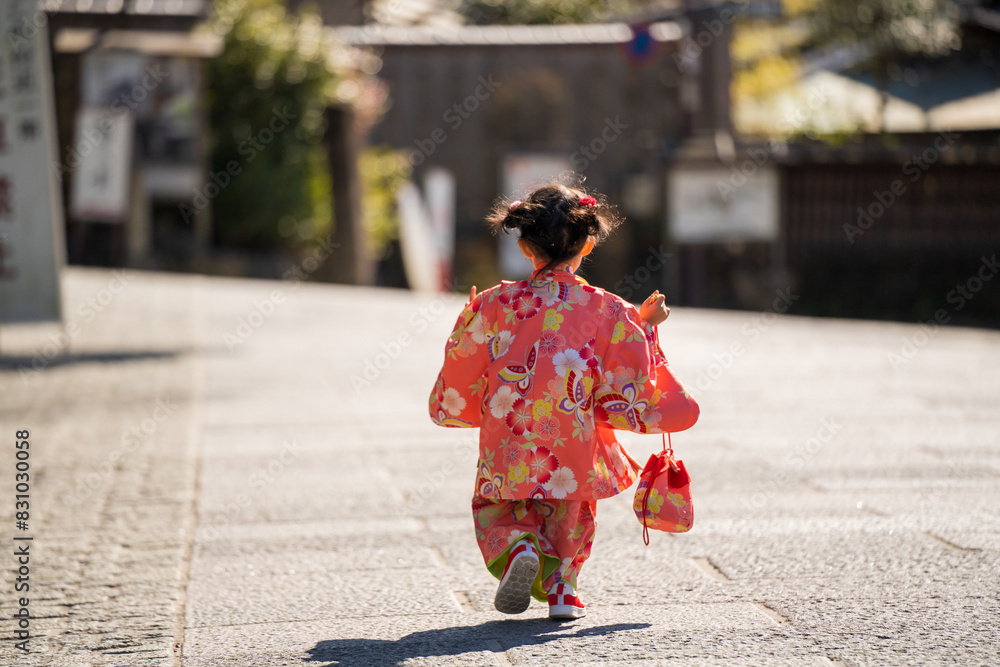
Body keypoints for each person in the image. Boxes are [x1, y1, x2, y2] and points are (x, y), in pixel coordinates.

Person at [428, 184, 699, 620]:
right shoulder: (607, 308)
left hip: (509, 434)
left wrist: (470, 317)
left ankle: (518, 546)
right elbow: (629, 366)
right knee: (572, 512)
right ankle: (564, 591)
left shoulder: (495, 303)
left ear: (524, 245)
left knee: (498, 503)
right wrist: (646, 325)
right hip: (574, 437)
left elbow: (465, 362)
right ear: (587, 243)